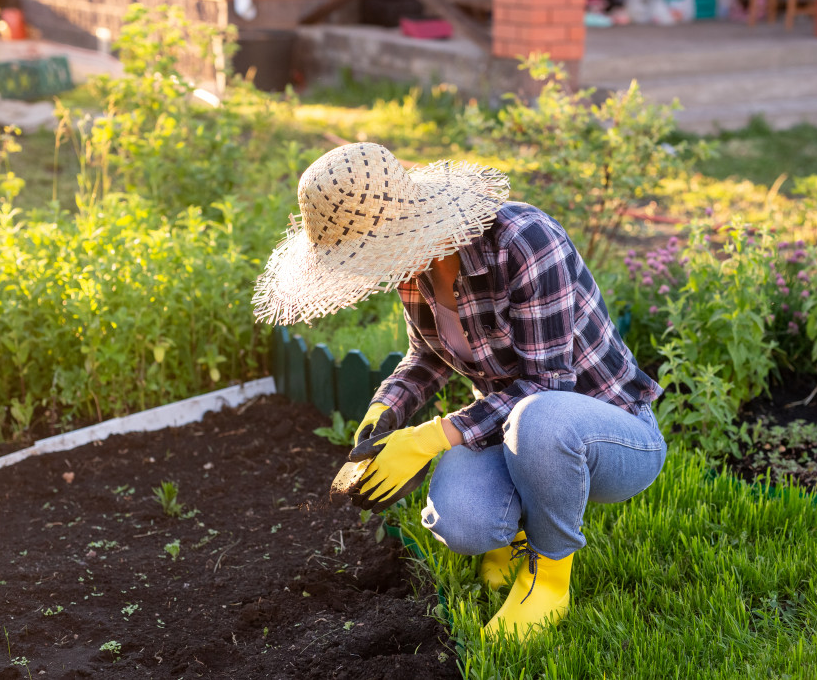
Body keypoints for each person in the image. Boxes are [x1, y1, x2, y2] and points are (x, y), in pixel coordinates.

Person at [253, 142, 667, 641]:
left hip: (609, 435)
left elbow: (546, 385)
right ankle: (513, 534)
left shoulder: (524, 241)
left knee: (541, 417)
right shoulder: (416, 270)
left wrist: (429, 437)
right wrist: (385, 408)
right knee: (463, 523)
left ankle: (549, 579)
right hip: (514, 428)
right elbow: (427, 357)